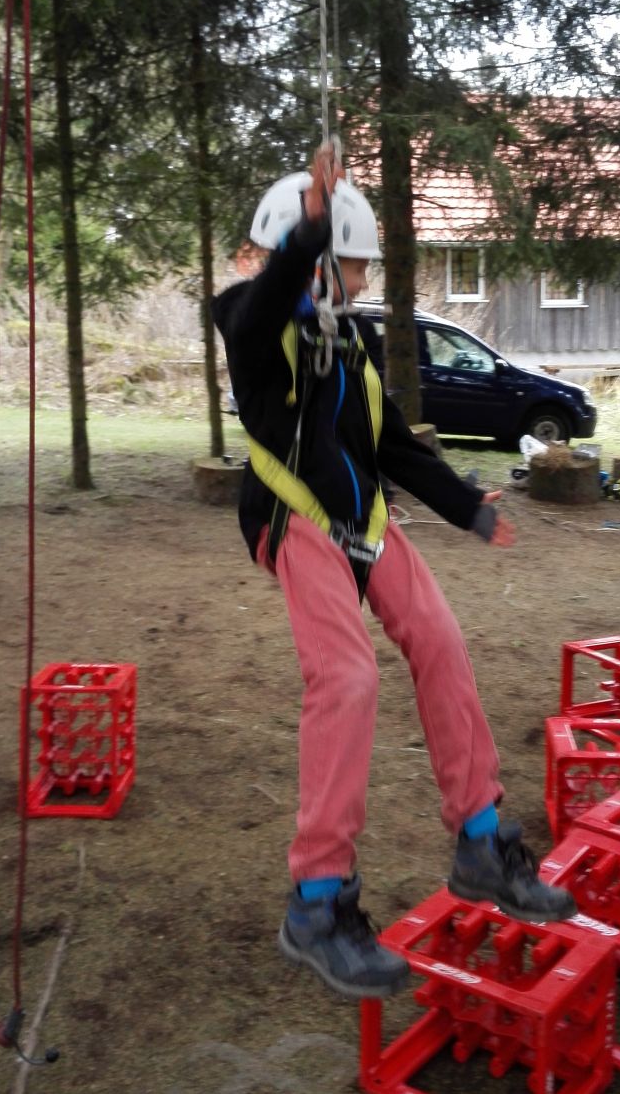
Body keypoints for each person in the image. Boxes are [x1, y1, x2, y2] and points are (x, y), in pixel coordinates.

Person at [212, 143, 576, 1001]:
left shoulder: (350, 340)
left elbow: (388, 444)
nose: (365, 280)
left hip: (362, 518)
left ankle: (480, 841)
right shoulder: (250, 323)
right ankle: (316, 902)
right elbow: (263, 310)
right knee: (347, 679)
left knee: (441, 643)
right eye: (354, 264)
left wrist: (467, 507)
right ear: (315, 258)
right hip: (293, 517)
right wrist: (307, 237)